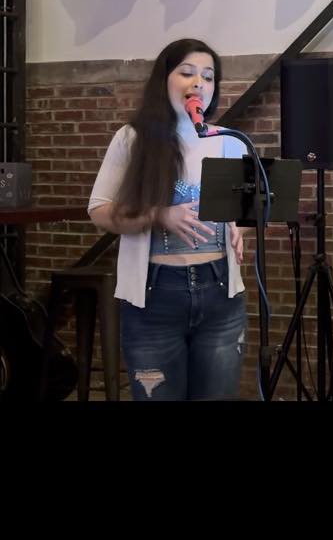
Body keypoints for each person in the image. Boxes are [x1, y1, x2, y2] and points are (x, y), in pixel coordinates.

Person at [88, 39, 248, 400]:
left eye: (208, 77)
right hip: (154, 296)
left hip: (221, 293)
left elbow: (241, 213)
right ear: (164, 79)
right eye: (187, 73)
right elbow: (98, 209)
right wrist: (157, 215)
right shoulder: (132, 139)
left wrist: (238, 229)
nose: (199, 83)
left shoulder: (230, 142)